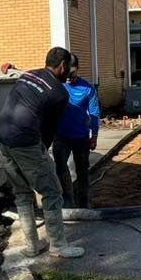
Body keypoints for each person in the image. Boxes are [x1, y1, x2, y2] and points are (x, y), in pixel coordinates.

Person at [0, 47, 85, 258]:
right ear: (62, 67)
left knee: (22, 192)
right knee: (52, 191)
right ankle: (58, 246)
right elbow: (48, 131)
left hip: (2, 137)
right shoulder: (59, 93)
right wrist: (42, 154)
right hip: (25, 140)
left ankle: (32, 247)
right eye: (69, 68)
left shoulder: (29, 74)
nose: (70, 73)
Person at [52, 54, 100, 209]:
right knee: (60, 167)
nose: (69, 78)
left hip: (80, 137)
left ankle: (84, 203)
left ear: (77, 70)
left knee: (82, 172)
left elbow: (94, 112)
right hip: (61, 137)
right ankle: (67, 198)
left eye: (72, 74)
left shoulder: (87, 88)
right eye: (67, 74)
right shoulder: (57, 85)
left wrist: (94, 135)